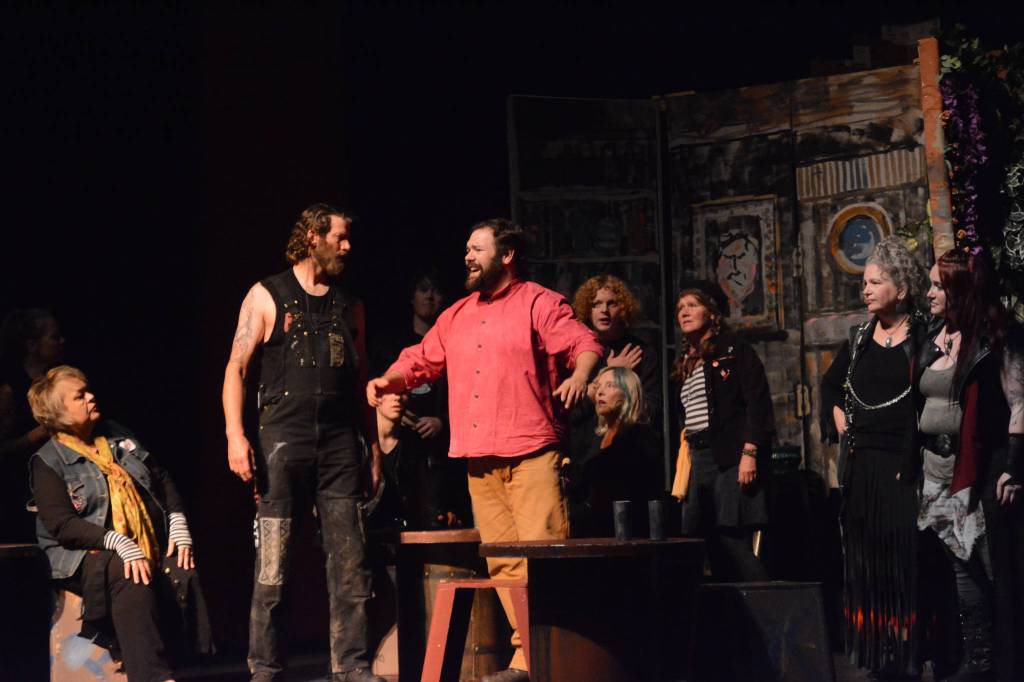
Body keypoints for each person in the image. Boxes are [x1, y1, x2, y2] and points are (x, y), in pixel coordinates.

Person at [367, 218, 602, 682]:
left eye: (478, 249)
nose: (468, 257)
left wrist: (580, 375)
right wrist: (388, 379)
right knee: (502, 561)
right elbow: (420, 360)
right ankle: (529, 657)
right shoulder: (456, 315)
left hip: (532, 451)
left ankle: (553, 657)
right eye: (467, 250)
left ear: (507, 255)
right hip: (480, 457)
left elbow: (582, 342)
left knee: (543, 557)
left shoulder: (538, 301)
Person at [221, 203, 384, 682]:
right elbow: (236, 368)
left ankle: (351, 666)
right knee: (274, 562)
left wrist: (372, 449)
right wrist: (235, 436)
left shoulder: (349, 303)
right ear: (313, 236)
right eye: (341, 237)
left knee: (351, 563)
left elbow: (362, 382)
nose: (348, 246)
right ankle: (266, 669)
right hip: (282, 444)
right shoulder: (266, 295)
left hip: (338, 447)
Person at [28, 365, 210, 682]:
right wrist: (117, 541)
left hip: (137, 543)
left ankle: (185, 661)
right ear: (59, 411)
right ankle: (152, 676)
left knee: (179, 567)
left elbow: (160, 476)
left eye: (89, 390)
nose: (91, 397)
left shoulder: (117, 436)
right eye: (80, 396)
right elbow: (62, 526)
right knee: (128, 573)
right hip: (81, 554)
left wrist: (178, 521)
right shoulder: (48, 460)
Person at [820, 236, 929, 677]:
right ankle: (876, 651)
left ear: (900, 289)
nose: (865, 289)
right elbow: (830, 386)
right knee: (865, 559)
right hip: (862, 465)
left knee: (900, 559)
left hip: (902, 465)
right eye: (864, 282)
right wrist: (840, 419)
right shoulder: (860, 337)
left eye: (875, 282)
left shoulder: (922, 336)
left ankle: (907, 651)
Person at [672, 280, 772, 582]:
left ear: (711, 312)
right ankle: (728, 616)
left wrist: (750, 452)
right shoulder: (685, 363)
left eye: (692, 305)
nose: (684, 312)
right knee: (700, 535)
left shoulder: (732, 348)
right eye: (680, 308)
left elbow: (757, 401)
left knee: (730, 534)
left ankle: (768, 611)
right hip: (698, 456)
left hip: (729, 455)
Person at [369, 268, 469, 530]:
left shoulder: (456, 346)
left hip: (442, 449)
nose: (429, 296)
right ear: (412, 297)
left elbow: (468, 395)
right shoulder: (392, 346)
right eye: (423, 289)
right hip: (402, 444)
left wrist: (442, 422)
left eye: (435, 290)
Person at [564, 366, 660, 538]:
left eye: (609, 386)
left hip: (628, 531)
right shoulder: (594, 436)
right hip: (596, 530)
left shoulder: (640, 436)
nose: (600, 392)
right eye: (599, 386)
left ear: (628, 392)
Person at [0, 308, 66, 541]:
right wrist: (39, 434)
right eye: (54, 337)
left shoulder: (62, 380)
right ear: (31, 345)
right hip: (23, 491)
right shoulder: (11, 391)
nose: (62, 341)